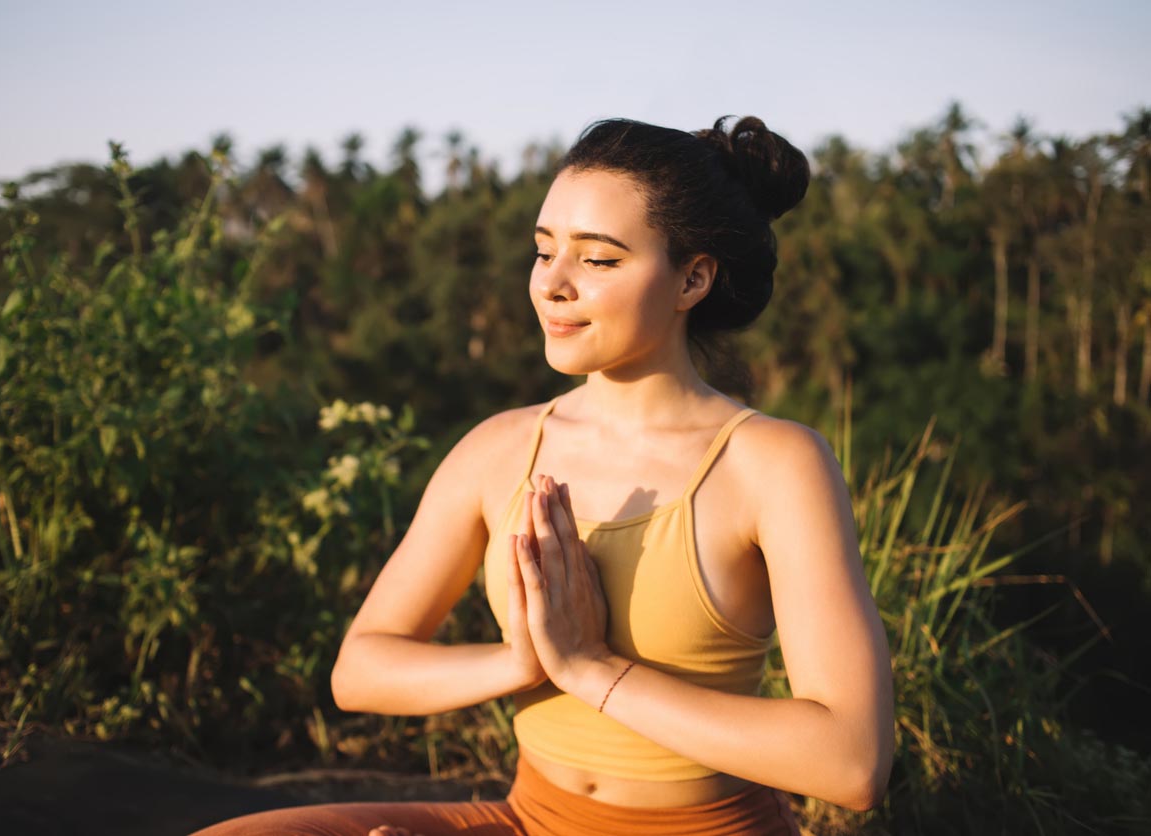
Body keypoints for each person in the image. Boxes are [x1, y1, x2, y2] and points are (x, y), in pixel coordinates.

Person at [190, 115, 894, 836]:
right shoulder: (500, 448)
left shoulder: (772, 463)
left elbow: (851, 764)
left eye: (599, 260)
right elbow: (362, 670)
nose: (553, 285)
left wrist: (590, 667)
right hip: (530, 818)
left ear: (692, 278)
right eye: (543, 251)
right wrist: (523, 661)